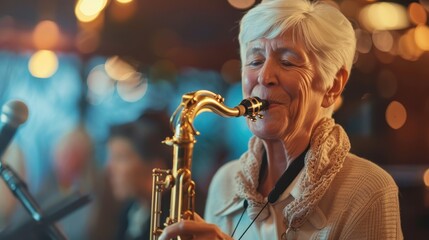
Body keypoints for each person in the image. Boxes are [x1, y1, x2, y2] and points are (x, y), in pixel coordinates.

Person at [159, 0, 403, 239]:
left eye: (287, 62)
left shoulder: (369, 190)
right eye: (255, 61)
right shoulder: (224, 183)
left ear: (333, 86)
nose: (264, 77)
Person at [106, 110, 172, 240]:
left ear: (156, 167)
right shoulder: (130, 210)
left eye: (120, 158)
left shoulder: (178, 219)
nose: (109, 168)